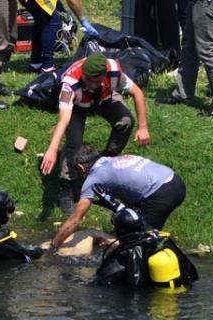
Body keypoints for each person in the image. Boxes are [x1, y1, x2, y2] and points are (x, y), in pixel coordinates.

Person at [39, 53, 151, 212]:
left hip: (104, 98)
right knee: (74, 141)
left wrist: (143, 127)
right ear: (83, 74)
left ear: (104, 75)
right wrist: (52, 149)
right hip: (76, 107)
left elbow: (137, 93)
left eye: (96, 81)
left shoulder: (114, 71)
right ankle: (66, 186)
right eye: (88, 80)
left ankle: (104, 164)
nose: (92, 84)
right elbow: (64, 119)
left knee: (126, 121)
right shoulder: (69, 84)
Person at [50, 144, 186, 248]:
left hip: (160, 194)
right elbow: (130, 190)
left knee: (138, 242)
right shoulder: (111, 161)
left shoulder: (94, 178)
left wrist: (55, 244)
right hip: (176, 181)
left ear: (80, 167)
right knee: (131, 228)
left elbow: (75, 219)